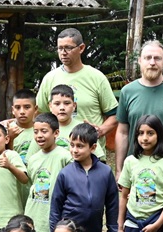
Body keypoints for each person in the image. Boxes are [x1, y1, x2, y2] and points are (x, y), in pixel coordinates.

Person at [36, 28, 118, 156]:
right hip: (57, 156)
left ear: (81, 48)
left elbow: (115, 114)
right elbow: (39, 114)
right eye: (60, 48)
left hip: (90, 157)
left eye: (68, 48)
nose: (63, 53)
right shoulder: (49, 78)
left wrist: (100, 131)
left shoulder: (97, 77)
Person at [114, 41, 163, 171]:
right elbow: (122, 132)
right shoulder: (127, 91)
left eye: (157, 58)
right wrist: (119, 170)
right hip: (136, 170)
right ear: (139, 61)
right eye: (147, 58)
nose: (152, 62)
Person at [50, 123, 118, 232]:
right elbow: (55, 208)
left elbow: (112, 206)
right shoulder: (65, 173)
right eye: (72, 145)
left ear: (93, 147)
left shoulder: (105, 172)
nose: (74, 150)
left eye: (80, 146)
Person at [24, 113, 67, 232]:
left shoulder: (65, 156)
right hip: (34, 216)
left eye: (44, 131)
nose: (39, 135)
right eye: (35, 132)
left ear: (56, 133)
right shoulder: (33, 159)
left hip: (52, 219)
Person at [0, 123, 28, 225]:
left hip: (12, 216)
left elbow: (25, 179)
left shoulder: (11, 155)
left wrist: (10, 166)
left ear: (7, 139)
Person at [5, 89, 40, 165]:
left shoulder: (42, 130)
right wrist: (10, 139)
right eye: (17, 107)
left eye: (27, 107)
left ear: (35, 109)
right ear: (12, 110)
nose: (22, 112)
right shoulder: (6, 130)